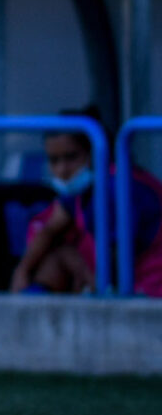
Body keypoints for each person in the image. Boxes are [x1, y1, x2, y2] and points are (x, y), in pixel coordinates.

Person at [11, 113, 162, 296]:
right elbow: (50, 230)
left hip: (149, 289)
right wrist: (22, 271)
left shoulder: (116, 187)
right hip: (116, 280)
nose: (62, 170)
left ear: (95, 152)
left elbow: (116, 264)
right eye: (54, 160)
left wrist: (78, 265)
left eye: (71, 157)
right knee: (54, 259)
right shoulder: (82, 187)